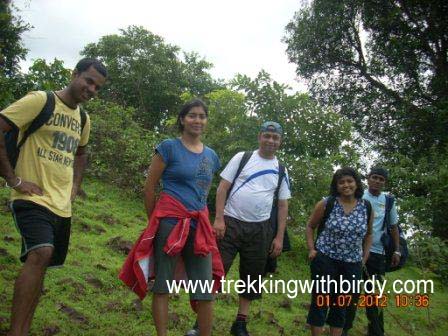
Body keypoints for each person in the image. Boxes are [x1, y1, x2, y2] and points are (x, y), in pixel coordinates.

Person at [0, 58, 107, 336]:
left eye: (97, 87)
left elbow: (81, 153)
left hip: (61, 205)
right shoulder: (40, 100)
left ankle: (23, 328)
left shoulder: (83, 119)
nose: (92, 89)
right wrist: (13, 179)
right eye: (89, 81)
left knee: (42, 264)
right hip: (31, 197)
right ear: (75, 74)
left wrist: (75, 185)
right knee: (41, 253)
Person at [119, 99, 223, 336]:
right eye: (192, 115)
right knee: (163, 285)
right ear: (182, 119)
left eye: (202, 116)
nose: (197, 120)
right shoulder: (168, 147)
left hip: (200, 226)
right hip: (169, 222)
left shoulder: (212, 156)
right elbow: (150, 187)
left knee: (204, 288)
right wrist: (154, 222)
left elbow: (205, 191)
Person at [187, 121, 290, 336]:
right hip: (230, 224)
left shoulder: (281, 170)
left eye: (275, 138)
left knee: (252, 278)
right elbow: (222, 188)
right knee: (215, 272)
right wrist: (219, 219)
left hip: (261, 230)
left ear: (280, 142)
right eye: (267, 136)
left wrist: (279, 237)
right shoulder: (243, 158)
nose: (271, 141)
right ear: (259, 137)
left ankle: (240, 323)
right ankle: (201, 323)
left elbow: (282, 205)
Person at [305, 167, 373, 336]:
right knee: (321, 301)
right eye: (341, 182)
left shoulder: (366, 207)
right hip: (325, 259)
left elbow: (369, 233)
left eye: (349, 181)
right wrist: (312, 249)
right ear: (336, 186)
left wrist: (364, 257)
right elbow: (310, 226)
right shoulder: (327, 203)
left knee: (342, 304)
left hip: (352, 264)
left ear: (356, 184)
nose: (346, 185)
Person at [343, 167, 400, 336]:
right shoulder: (358, 196)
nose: (377, 181)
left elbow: (393, 226)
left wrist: (397, 251)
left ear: (384, 182)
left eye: (381, 179)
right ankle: (343, 329)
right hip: (354, 252)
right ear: (368, 178)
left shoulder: (388, 201)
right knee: (350, 292)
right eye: (374, 177)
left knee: (374, 296)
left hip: (377, 254)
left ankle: (376, 332)